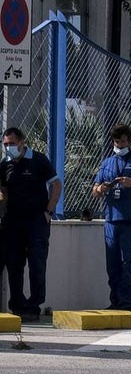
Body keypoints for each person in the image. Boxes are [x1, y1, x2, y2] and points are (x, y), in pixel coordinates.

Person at [0, 127, 61, 322]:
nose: (9, 147)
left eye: (12, 144)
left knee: (37, 264)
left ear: (22, 142)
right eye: (5, 144)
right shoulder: (5, 164)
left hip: (37, 221)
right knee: (14, 265)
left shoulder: (38, 160)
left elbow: (56, 184)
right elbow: (3, 191)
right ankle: (17, 305)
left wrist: (49, 211)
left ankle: (34, 305)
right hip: (13, 222)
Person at [92, 123, 131, 311]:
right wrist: (102, 188)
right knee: (113, 264)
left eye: (123, 141)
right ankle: (115, 300)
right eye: (117, 142)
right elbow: (95, 189)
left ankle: (128, 301)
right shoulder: (108, 162)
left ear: (129, 141)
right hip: (111, 219)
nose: (120, 145)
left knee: (129, 263)